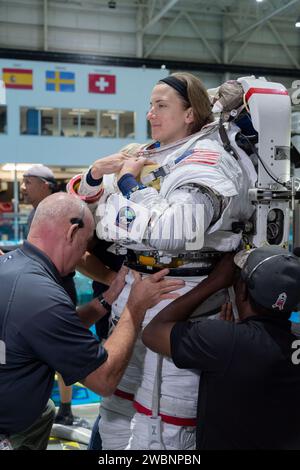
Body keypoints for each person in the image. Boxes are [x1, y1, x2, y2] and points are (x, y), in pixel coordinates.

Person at [72, 72, 256, 449]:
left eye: (161, 106)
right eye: (150, 105)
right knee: (116, 409)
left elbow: (173, 231)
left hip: (183, 297)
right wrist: (96, 175)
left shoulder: (209, 158)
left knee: (164, 423)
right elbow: (84, 213)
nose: (151, 114)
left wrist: (127, 188)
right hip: (135, 293)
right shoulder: (143, 154)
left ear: (190, 114)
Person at [0, 192, 184, 450]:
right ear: (72, 232)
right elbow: (103, 380)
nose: (83, 254)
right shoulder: (43, 297)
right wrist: (135, 307)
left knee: (46, 411)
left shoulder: (12, 266)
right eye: (86, 242)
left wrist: (106, 300)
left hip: (22, 409)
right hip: (10, 432)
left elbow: (51, 329)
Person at [143, 246, 300, 450]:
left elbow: (152, 333)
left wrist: (214, 282)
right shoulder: (284, 340)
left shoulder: (225, 341)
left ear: (242, 290)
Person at [21, 164, 85, 428]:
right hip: (41, 288)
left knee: (61, 348)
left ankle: (65, 409)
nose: (23, 188)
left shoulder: (56, 212)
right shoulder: (35, 213)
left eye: (28, 182)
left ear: (45, 185)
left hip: (56, 288)